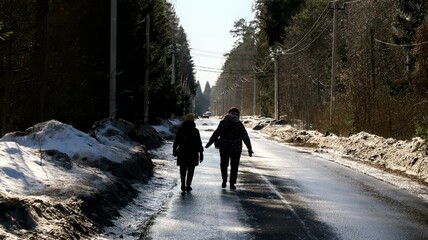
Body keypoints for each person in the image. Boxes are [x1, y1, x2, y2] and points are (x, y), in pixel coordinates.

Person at [205, 107, 253, 190]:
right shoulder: (239, 124)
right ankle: (232, 183)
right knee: (234, 166)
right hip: (236, 149)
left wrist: (209, 143)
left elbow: (216, 133)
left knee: (223, 164)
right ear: (238, 115)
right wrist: (249, 148)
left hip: (224, 148)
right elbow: (245, 137)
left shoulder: (223, 123)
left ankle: (224, 178)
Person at [173, 113, 204, 192]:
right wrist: (201, 153)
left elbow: (177, 140)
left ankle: (183, 184)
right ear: (193, 120)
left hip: (182, 151)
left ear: (185, 120)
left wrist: (174, 149)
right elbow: (199, 143)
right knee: (191, 169)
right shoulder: (195, 131)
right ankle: (188, 185)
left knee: (182, 169)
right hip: (193, 153)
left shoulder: (181, 129)